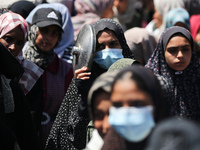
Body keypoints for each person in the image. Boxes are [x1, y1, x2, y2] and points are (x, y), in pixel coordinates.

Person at [45, 18, 134, 150]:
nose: (107, 51)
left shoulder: (136, 79)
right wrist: (84, 98)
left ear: (123, 45)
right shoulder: (82, 81)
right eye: (100, 47)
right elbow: (72, 137)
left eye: (113, 44)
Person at [23, 7, 73, 149]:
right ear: (33, 31)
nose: (48, 38)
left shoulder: (65, 70)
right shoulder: (20, 64)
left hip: (54, 141)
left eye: (54, 33)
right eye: (44, 31)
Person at [0, 11, 41, 150]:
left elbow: (29, 124)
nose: (13, 47)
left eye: (19, 43)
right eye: (8, 39)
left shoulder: (30, 74)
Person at [101, 65, 169, 150]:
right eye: (118, 105)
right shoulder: (108, 144)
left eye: (137, 104)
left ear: (156, 103)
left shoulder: (180, 143)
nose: (125, 113)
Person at [145, 26, 200, 121]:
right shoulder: (151, 81)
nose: (180, 55)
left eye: (185, 49)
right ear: (162, 52)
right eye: (173, 50)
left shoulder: (197, 76)